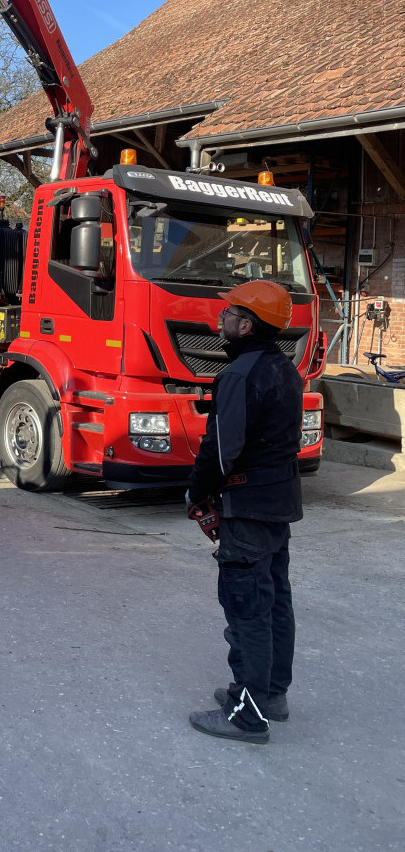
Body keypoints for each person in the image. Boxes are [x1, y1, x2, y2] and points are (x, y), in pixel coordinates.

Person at [186, 279, 305, 744]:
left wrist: (197, 493)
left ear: (247, 325)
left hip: (247, 506)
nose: (221, 319)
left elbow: (221, 450)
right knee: (274, 601)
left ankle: (247, 715)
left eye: (229, 314)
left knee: (247, 609)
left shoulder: (239, 374)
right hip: (278, 503)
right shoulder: (285, 369)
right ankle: (271, 695)